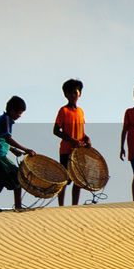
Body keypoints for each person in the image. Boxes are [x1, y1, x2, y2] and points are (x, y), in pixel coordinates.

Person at [0, 96, 37, 213]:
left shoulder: (1, 119)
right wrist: (25, 149)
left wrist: (12, 149)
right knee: (18, 178)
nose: (20, 116)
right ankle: (18, 207)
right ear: (12, 110)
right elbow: (7, 137)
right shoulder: (6, 120)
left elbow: (0, 139)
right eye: (19, 113)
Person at [53, 78, 90, 206]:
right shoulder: (63, 111)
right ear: (66, 95)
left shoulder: (80, 111)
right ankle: (61, 206)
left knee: (78, 180)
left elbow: (81, 131)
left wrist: (86, 139)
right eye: (70, 93)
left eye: (76, 92)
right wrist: (72, 140)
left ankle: (75, 205)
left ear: (80, 93)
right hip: (66, 150)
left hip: (79, 151)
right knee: (64, 179)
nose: (73, 95)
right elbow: (56, 130)